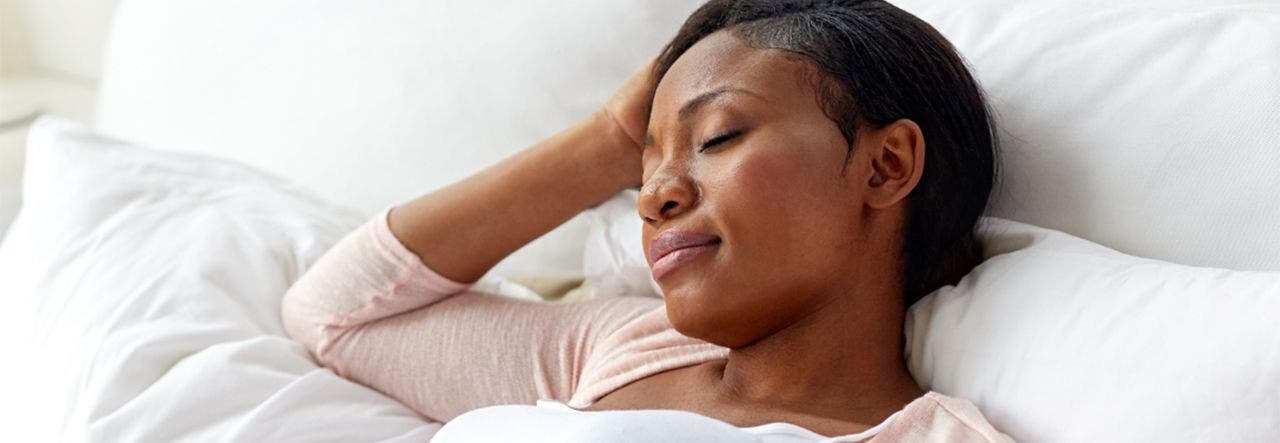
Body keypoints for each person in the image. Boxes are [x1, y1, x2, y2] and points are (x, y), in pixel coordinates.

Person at [281, 0, 1013, 441]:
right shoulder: (627, 348)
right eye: (645, 160)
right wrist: (602, 140)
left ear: (885, 166)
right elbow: (339, 315)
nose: (651, 194)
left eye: (719, 136)